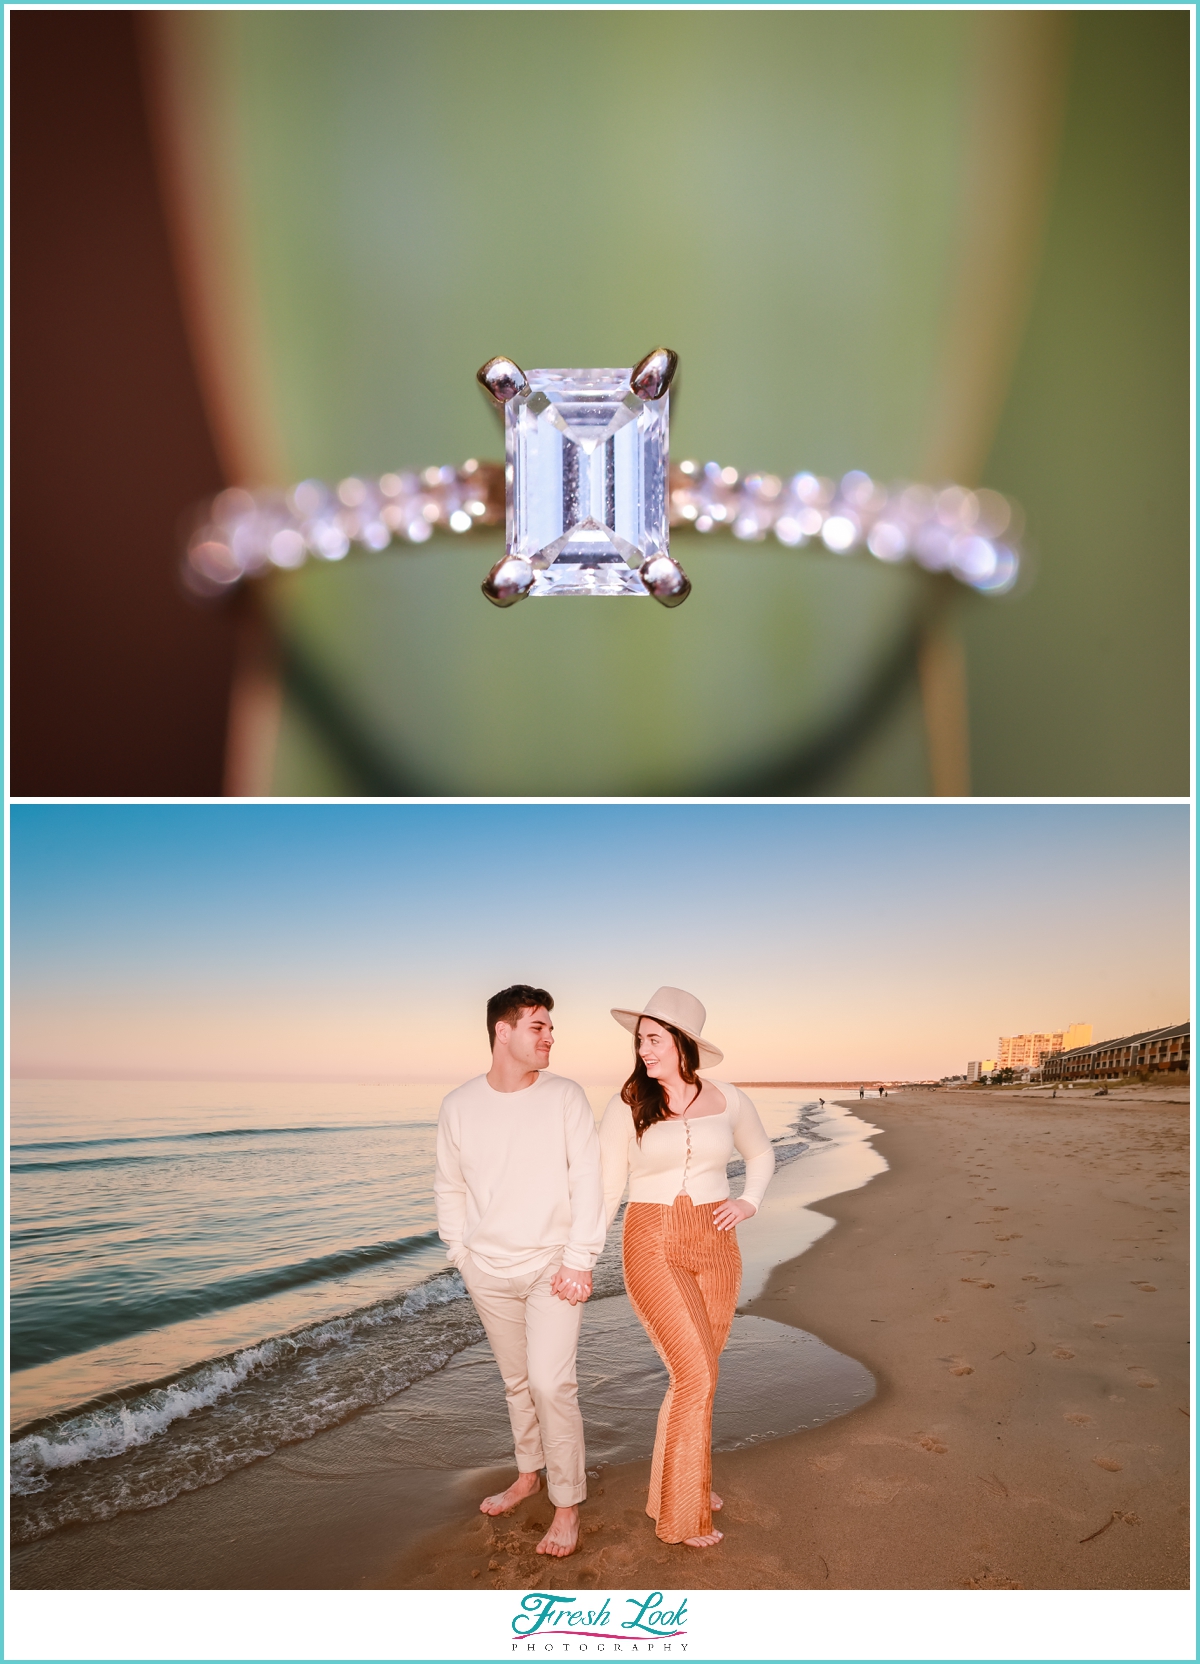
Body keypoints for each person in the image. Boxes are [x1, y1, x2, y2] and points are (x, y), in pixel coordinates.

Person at [599, 987, 774, 1549]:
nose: (644, 1049)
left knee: (698, 1375)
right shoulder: (627, 1104)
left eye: (654, 1038)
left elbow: (762, 1154)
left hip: (717, 1244)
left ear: (682, 1044)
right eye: (640, 1040)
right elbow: (605, 1190)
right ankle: (680, 1514)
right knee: (694, 1374)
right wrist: (579, 1260)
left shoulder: (731, 1100)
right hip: (652, 1240)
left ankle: (677, 1482)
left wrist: (749, 1201)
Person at [434, 985, 605, 1558]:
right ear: (502, 1032)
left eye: (551, 1026)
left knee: (551, 1383)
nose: (550, 1036)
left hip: (553, 1267)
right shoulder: (458, 1105)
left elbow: (588, 1182)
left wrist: (580, 1259)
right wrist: (461, 1255)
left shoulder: (565, 1097)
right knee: (515, 1383)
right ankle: (528, 1473)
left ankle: (566, 1501)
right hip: (488, 1269)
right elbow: (449, 1185)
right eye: (538, 1026)